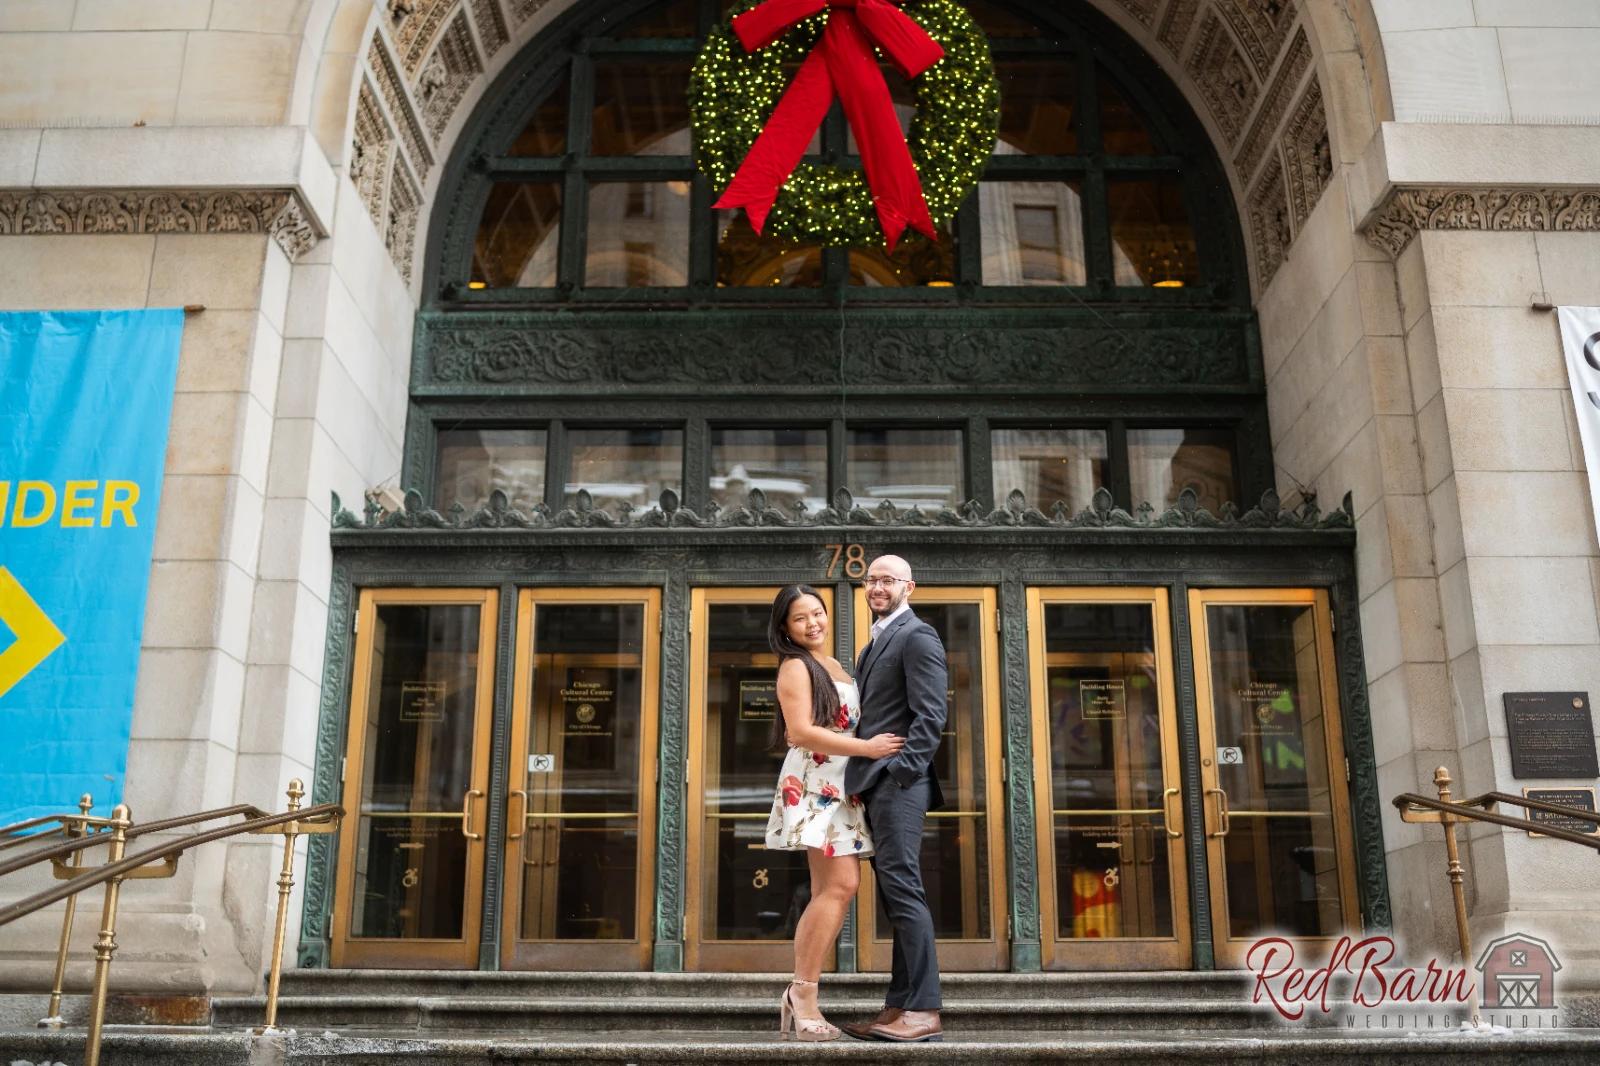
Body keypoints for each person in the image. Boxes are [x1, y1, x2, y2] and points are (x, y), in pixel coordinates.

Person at [763, 584, 905, 1041]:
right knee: (840, 885)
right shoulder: (795, 666)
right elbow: (800, 732)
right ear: (785, 627)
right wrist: (867, 748)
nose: (813, 623)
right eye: (800, 618)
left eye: (818, 613)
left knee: (836, 887)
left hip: (843, 785)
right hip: (816, 784)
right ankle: (802, 994)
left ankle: (800, 993)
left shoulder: (837, 665)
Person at [840, 554, 949, 1043]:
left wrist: (900, 774)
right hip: (876, 784)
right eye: (871, 580)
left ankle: (924, 1009)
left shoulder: (918, 635)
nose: (877, 587)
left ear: (910, 586)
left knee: (904, 891)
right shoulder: (876, 640)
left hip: (899, 783)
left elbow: (931, 716)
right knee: (894, 893)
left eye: (888, 580)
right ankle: (899, 1005)